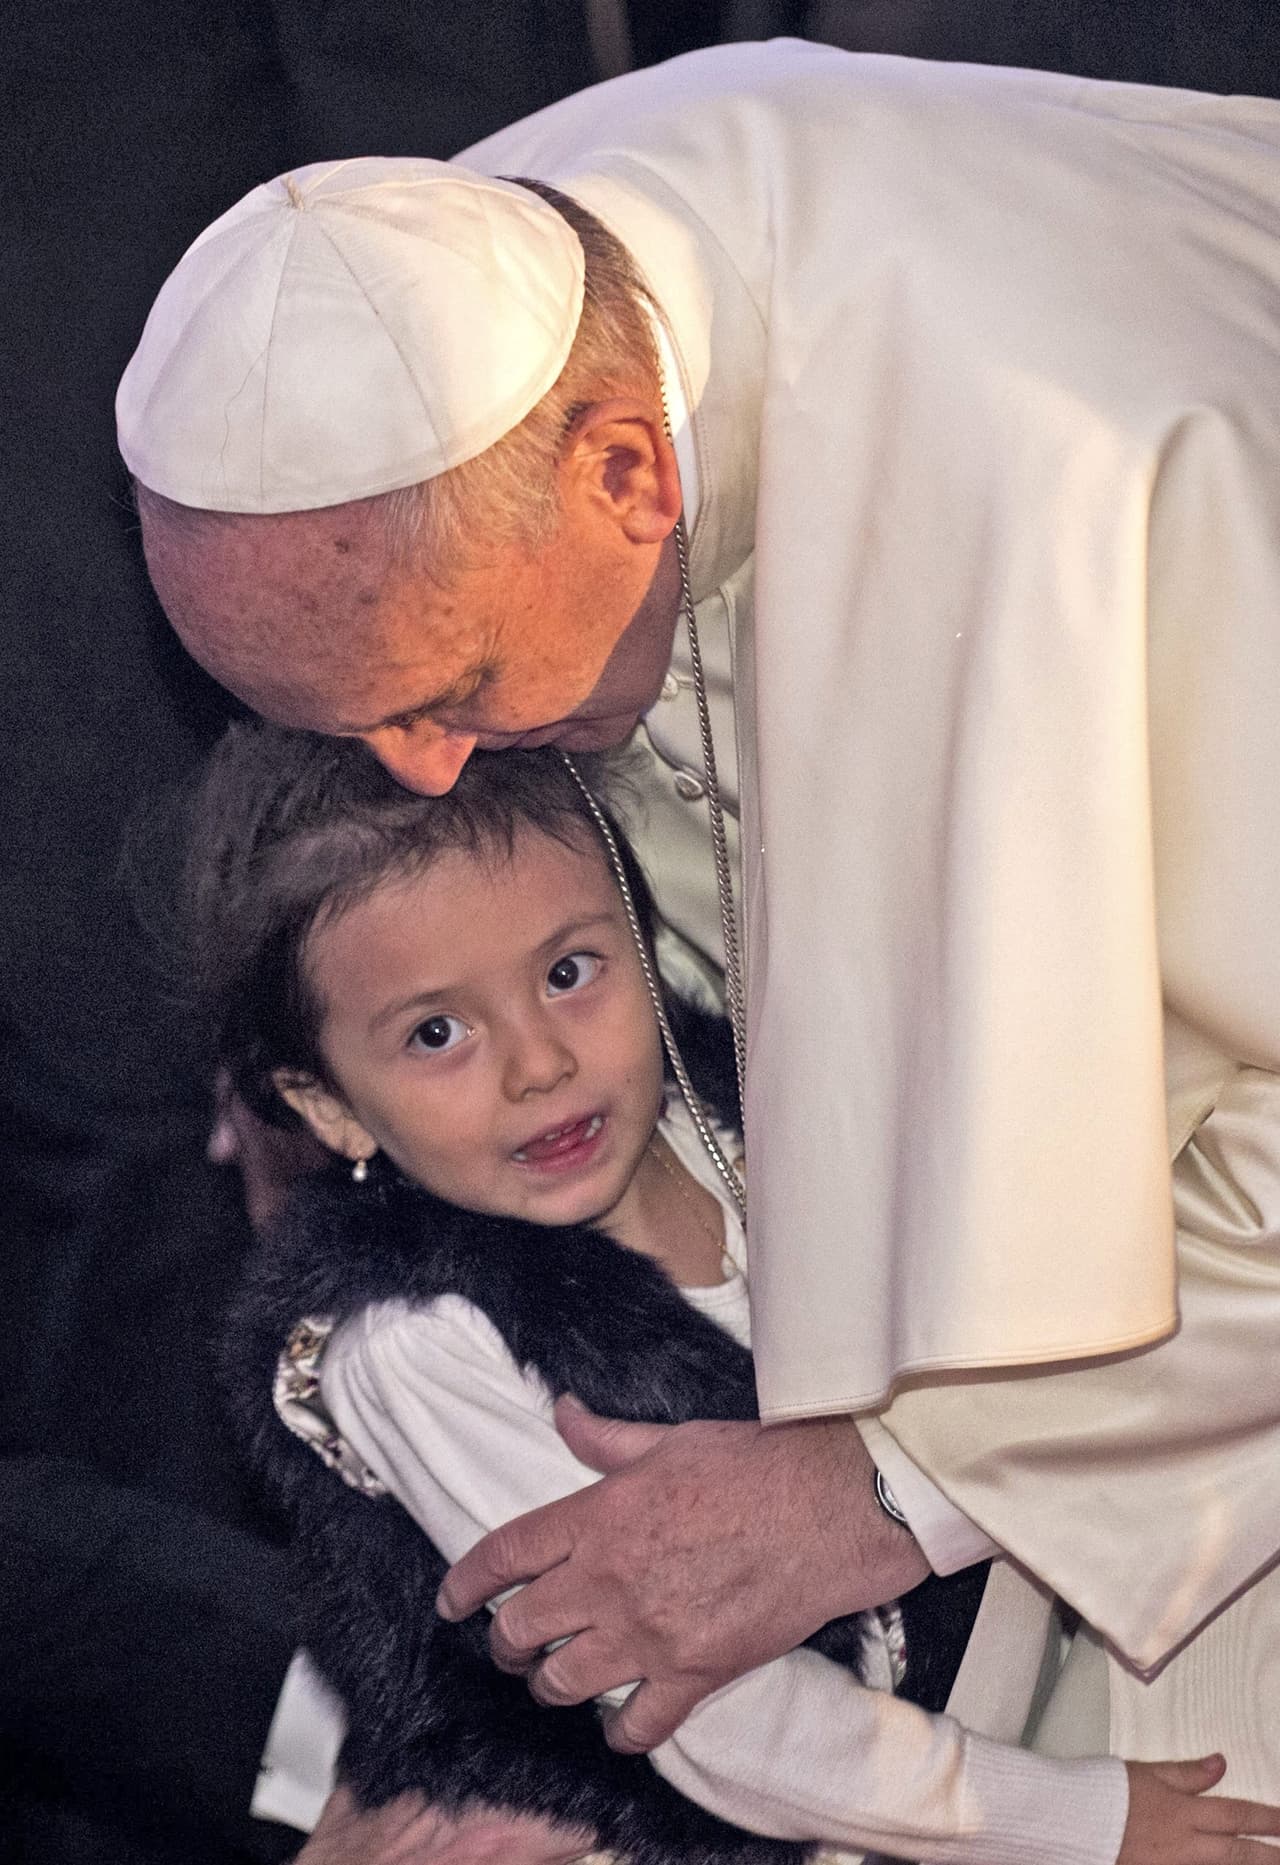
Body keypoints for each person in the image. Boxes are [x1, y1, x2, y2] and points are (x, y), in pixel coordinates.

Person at [116, 37, 1280, 1853]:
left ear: (631, 474)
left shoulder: (1116, 469)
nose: (429, 778)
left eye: (450, 694)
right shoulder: (471, 293)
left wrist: (899, 1485)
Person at [188, 719, 1273, 1865]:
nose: (537, 1062)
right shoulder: (416, 1345)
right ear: (329, 1106)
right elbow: (727, 1724)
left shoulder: (747, 1119)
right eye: (437, 1032)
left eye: (567, 972)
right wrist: (1084, 1822)